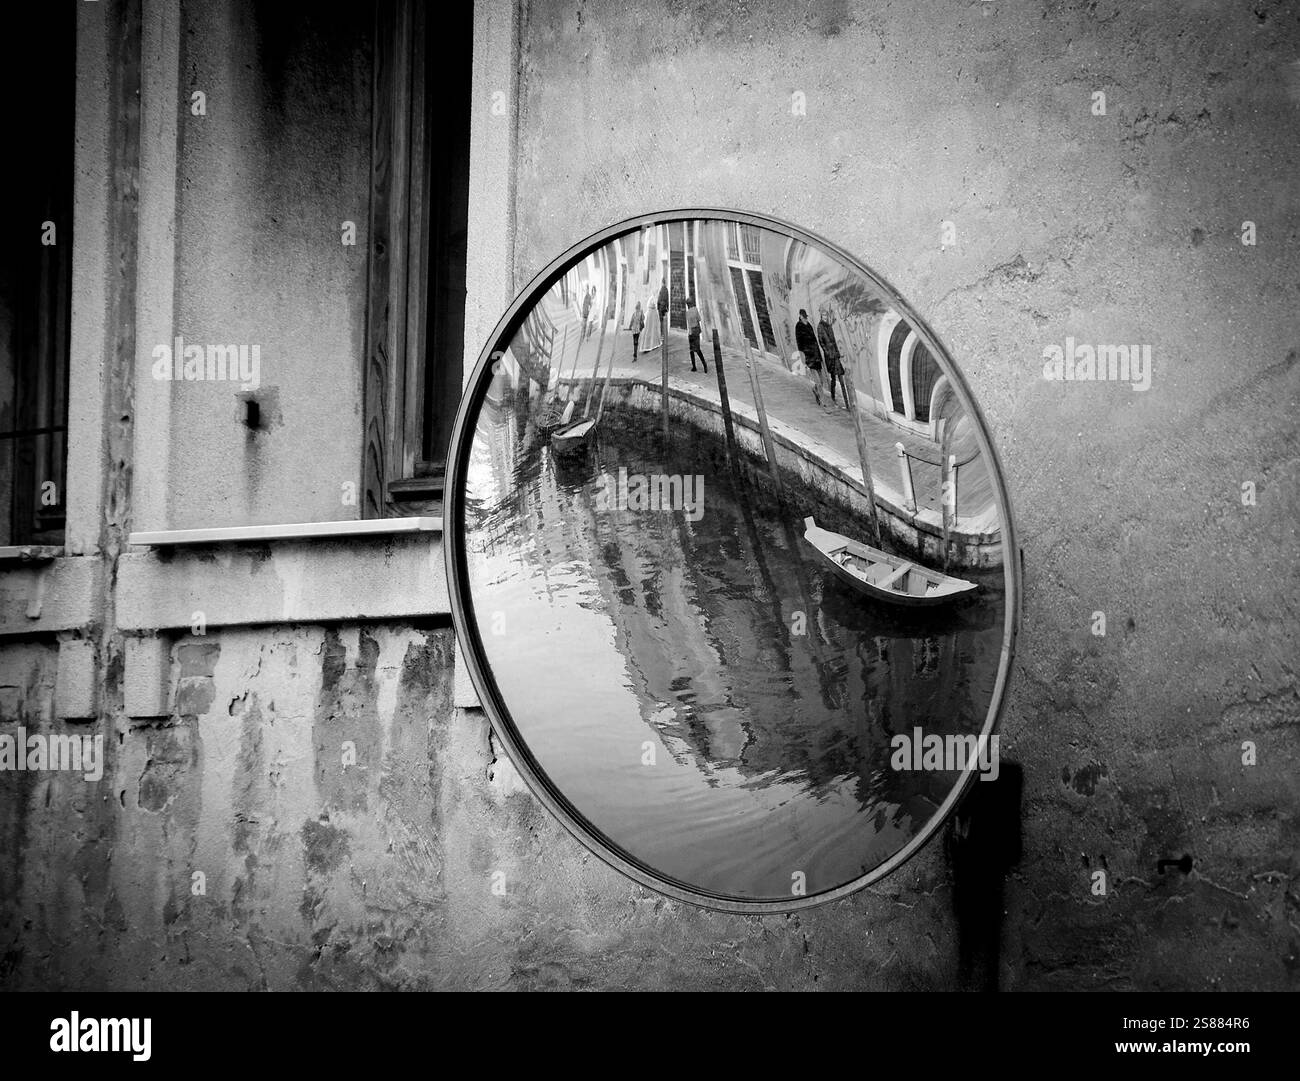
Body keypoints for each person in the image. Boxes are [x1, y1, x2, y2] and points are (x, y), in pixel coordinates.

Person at [818, 308, 847, 408]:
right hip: (829, 356)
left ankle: (846, 400)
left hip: (834, 354)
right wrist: (827, 353)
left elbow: (833, 340)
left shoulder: (829, 326)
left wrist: (837, 352)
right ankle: (833, 397)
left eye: (826, 316)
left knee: (840, 376)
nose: (825, 317)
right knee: (833, 378)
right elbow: (821, 342)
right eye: (824, 316)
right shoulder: (820, 327)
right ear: (821, 317)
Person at [795, 309, 824, 406]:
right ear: (800, 316)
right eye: (803, 317)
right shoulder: (798, 326)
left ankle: (815, 390)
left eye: (805, 317)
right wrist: (803, 358)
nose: (805, 318)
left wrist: (819, 355)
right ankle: (822, 401)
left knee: (821, 380)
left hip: (816, 355)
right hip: (809, 356)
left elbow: (815, 341)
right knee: (818, 381)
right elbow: (799, 343)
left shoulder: (809, 325)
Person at [685, 298, 707, 373]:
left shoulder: (687, 313)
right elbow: (699, 319)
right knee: (698, 349)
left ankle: (694, 366)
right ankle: (704, 365)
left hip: (692, 332)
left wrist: (690, 334)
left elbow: (689, 325)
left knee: (691, 350)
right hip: (697, 330)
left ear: (688, 304)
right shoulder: (695, 309)